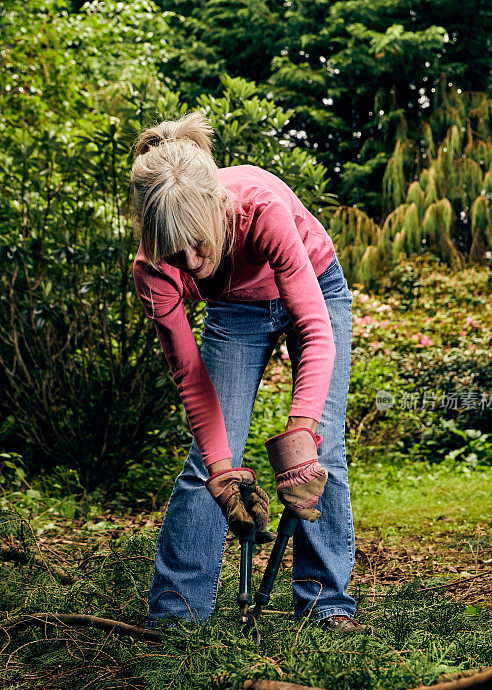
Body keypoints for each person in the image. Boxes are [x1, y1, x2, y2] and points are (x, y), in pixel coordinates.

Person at [130, 111, 365, 635]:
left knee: (320, 448)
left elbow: (314, 326)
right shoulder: (152, 271)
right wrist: (221, 470)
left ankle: (326, 605)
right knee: (209, 462)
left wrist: (301, 431)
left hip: (314, 285)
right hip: (237, 312)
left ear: (218, 209)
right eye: (174, 249)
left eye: (199, 242)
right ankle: (175, 615)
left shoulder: (262, 210)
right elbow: (191, 378)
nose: (190, 262)